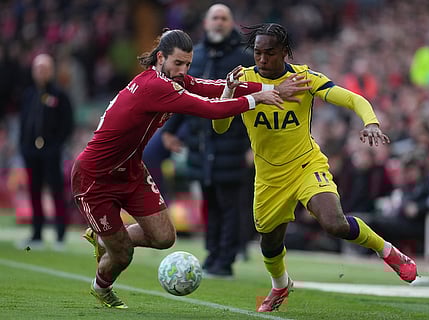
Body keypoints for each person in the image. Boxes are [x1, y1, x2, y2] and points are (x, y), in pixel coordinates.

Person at [71, 28, 302, 309]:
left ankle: (104, 235)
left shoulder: (171, 79)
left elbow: (214, 88)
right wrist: (258, 99)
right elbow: (211, 109)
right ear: (160, 58)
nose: (183, 70)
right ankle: (101, 287)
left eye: (188, 64)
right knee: (121, 255)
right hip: (95, 177)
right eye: (177, 63)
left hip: (131, 170)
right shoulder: (154, 86)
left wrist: (273, 88)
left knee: (165, 237)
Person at [212, 23, 418, 313]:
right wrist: (228, 93)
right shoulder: (242, 80)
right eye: (257, 53)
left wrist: (370, 121)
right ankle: (280, 285)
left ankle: (387, 250)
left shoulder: (304, 78)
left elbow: (352, 98)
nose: (261, 59)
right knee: (269, 243)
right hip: (269, 176)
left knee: (334, 223)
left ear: (285, 52)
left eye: (269, 53)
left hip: (306, 165)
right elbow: (219, 127)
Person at [155, 3, 257, 278]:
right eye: (215, 18)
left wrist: (251, 146)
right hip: (201, 142)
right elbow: (181, 93)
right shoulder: (195, 56)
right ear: (206, 22)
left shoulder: (244, 58)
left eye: (224, 18)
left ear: (231, 23)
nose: (219, 22)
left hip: (232, 141)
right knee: (208, 202)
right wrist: (170, 130)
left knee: (230, 202)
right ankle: (212, 255)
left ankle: (225, 260)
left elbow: (253, 103)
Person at [18, 53, 74, 250]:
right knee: (34, 191)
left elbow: (68, 124)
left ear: (51, 71)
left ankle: (60, 234)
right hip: (30, 151)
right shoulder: (28, 94)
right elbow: (24, 122)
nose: (40, 72)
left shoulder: (59, 95)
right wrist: (23, 146)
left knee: (56, 190)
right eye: (37, 68)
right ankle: (36, 234)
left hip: (51, 151)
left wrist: (56, 145)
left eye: (44, 68)